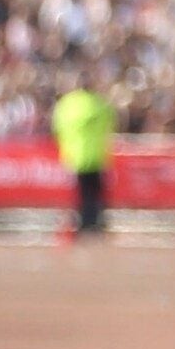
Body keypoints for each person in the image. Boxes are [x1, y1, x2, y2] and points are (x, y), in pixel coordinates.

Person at [50, 75, 115, 237]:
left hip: (75, 155)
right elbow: (111, 123)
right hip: (97, 155)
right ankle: (95, 224)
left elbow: (57, 128)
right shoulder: (100, 103)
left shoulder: (67, 104)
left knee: (80, 194)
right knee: (96, 193)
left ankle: (82, 224)